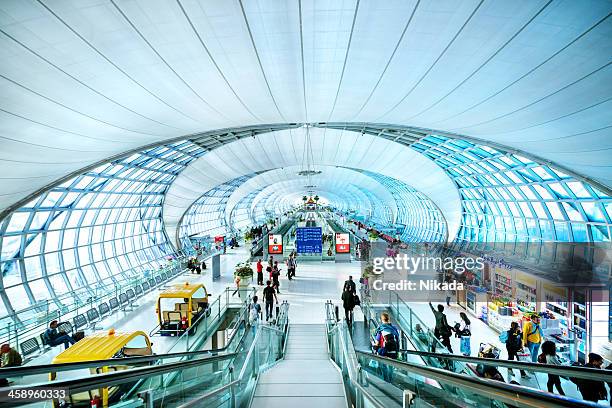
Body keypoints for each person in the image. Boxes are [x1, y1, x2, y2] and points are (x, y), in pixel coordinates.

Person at [371, 312, 400, 382]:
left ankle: (385, 381)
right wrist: (398, 351)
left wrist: (373, 344)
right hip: (393, 351)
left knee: (383, 366)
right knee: (391, 367)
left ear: (382, 320)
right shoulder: (394, 329)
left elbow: (377, 343)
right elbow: (398, 340)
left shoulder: (381, 329)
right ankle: (391, 381)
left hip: (384, 351)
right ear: (388, 319)